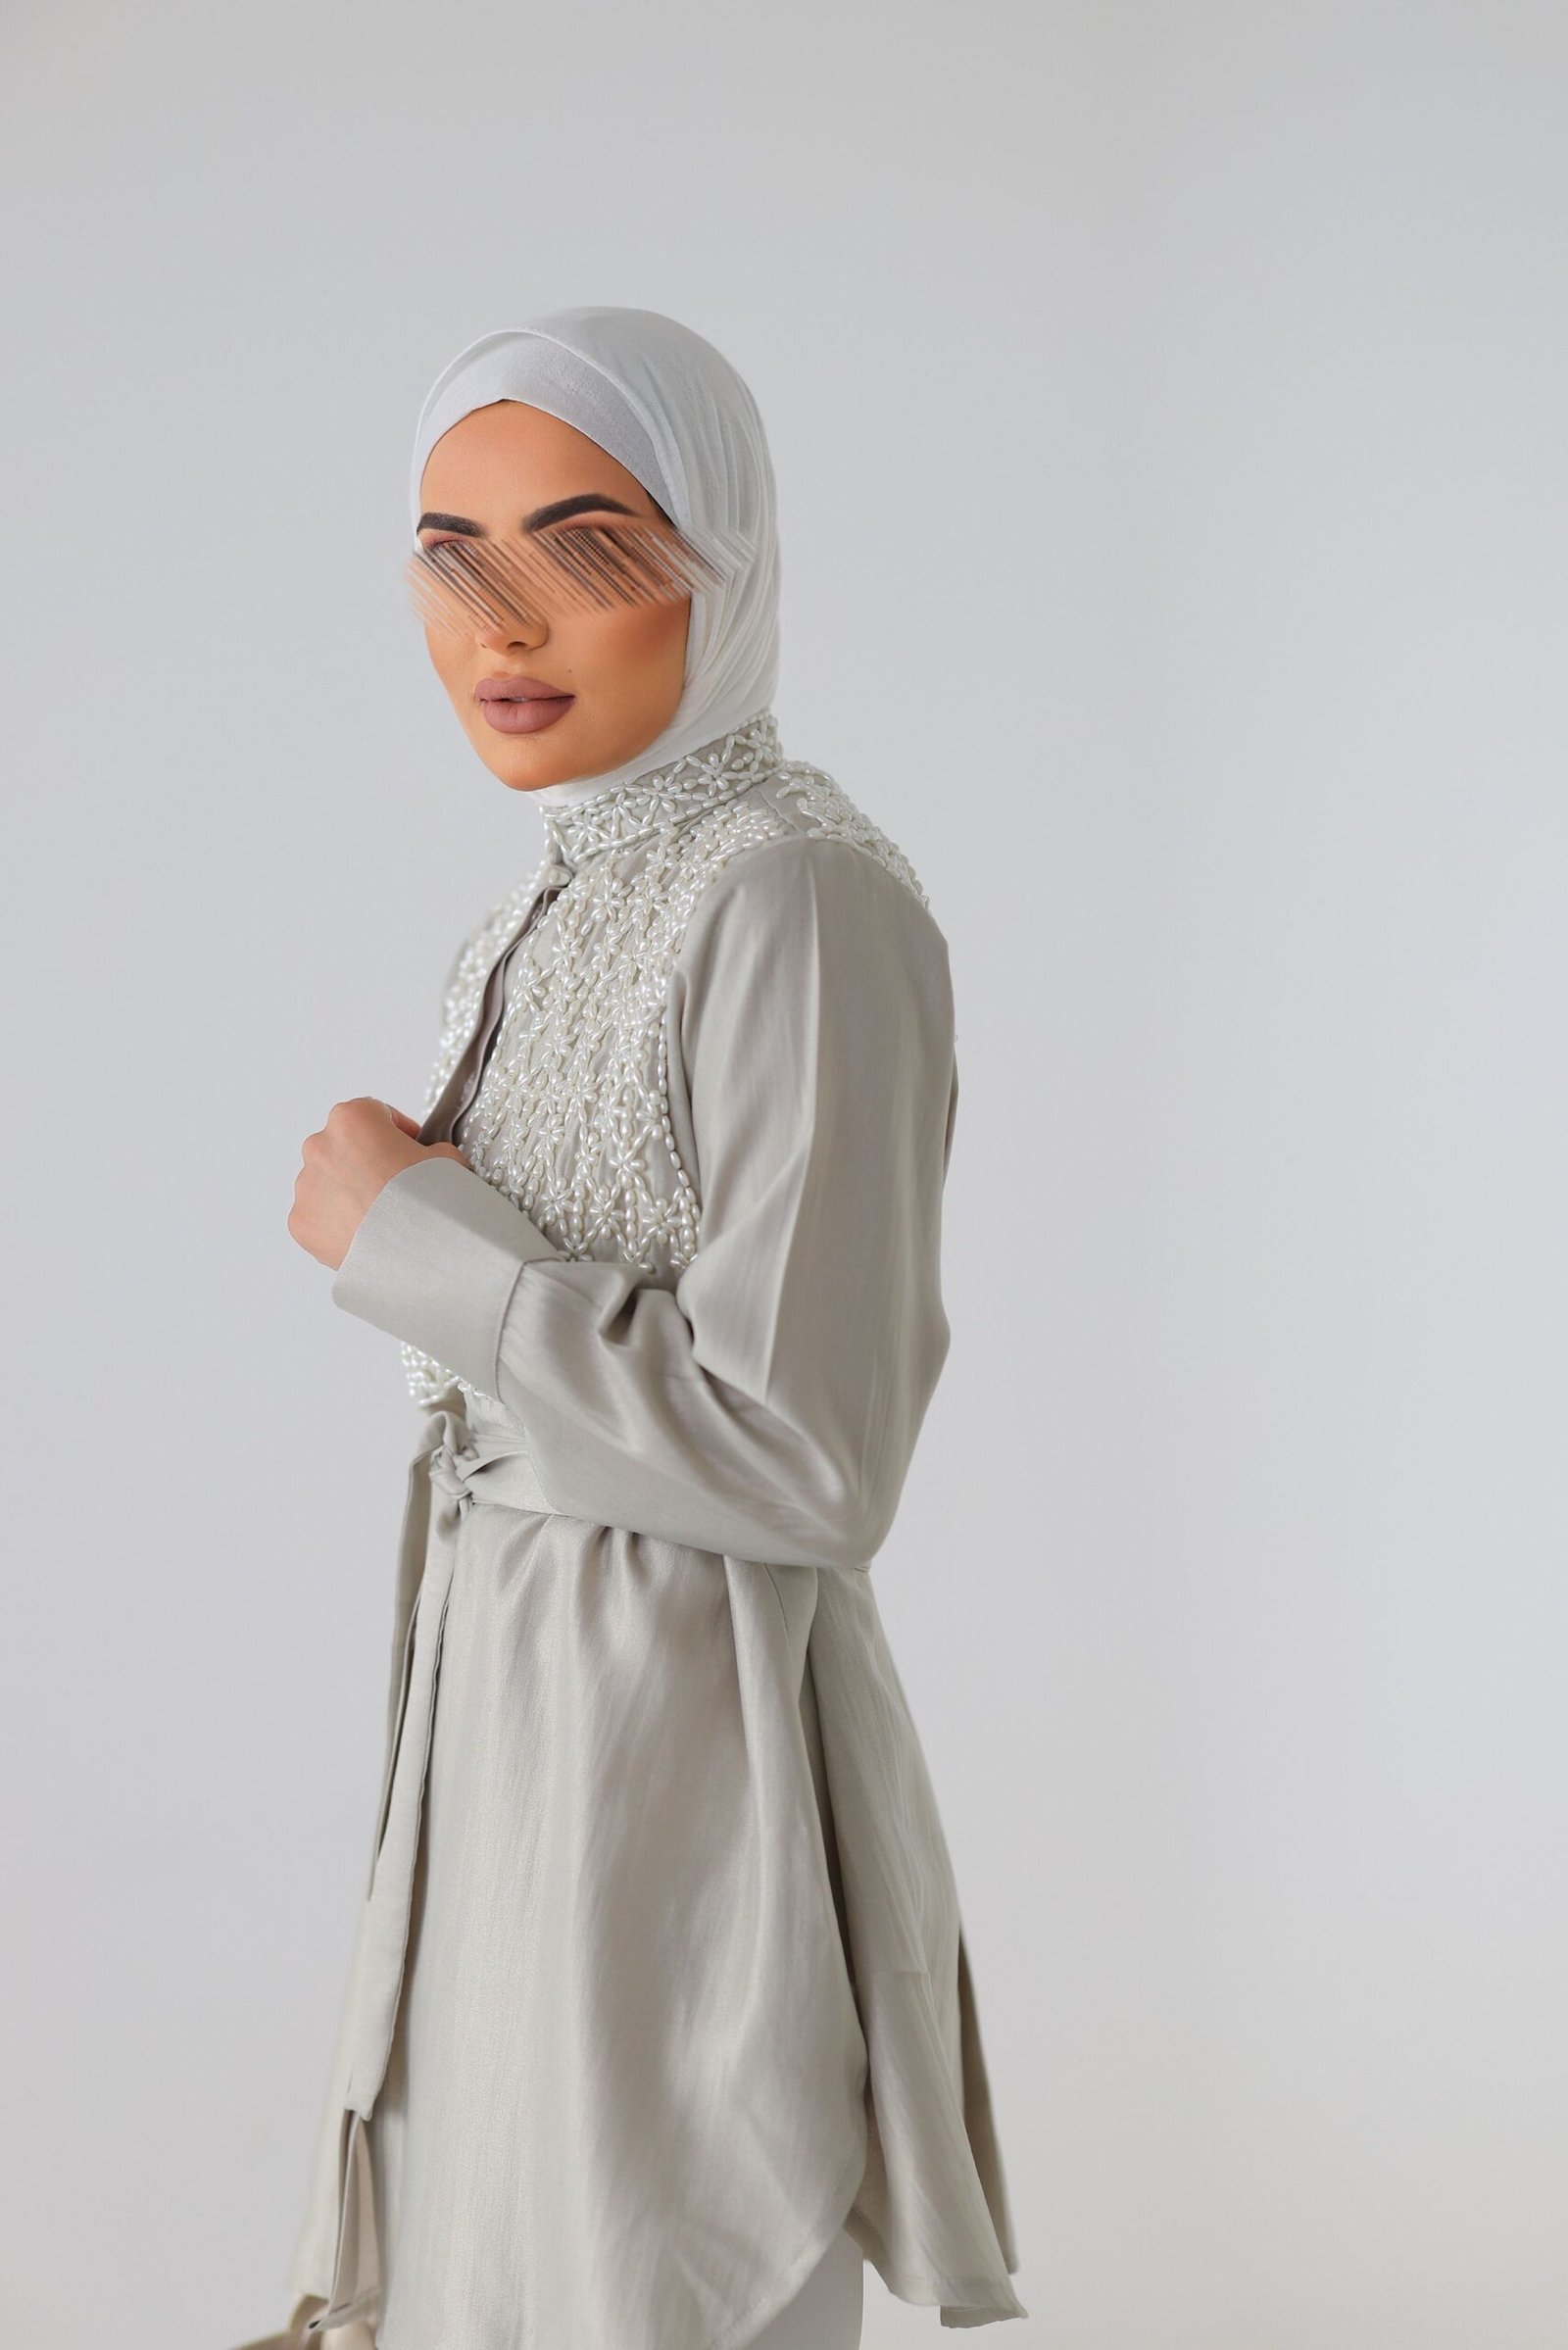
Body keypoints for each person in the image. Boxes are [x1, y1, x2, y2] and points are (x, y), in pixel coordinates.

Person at [263, 306, 1025, 2350]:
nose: (501, 625)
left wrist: (411, 1236)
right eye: (451, 558)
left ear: (727, 566)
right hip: (506, 1707)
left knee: (643, 2272)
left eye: (588, 550)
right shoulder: (550, 893)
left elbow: (811, 1457)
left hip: (677, 1740)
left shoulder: (795, 899)